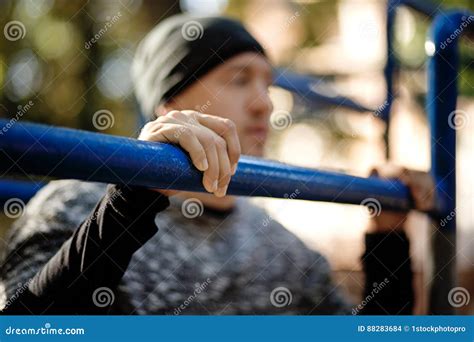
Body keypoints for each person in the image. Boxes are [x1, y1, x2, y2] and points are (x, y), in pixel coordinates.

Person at [0, 14, 435, 315]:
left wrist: (389, 238)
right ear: (171, 104)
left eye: (268, 83)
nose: (265, 104)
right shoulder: (73, 205)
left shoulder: (281, 247)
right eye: (239, 79)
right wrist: (132, 199)